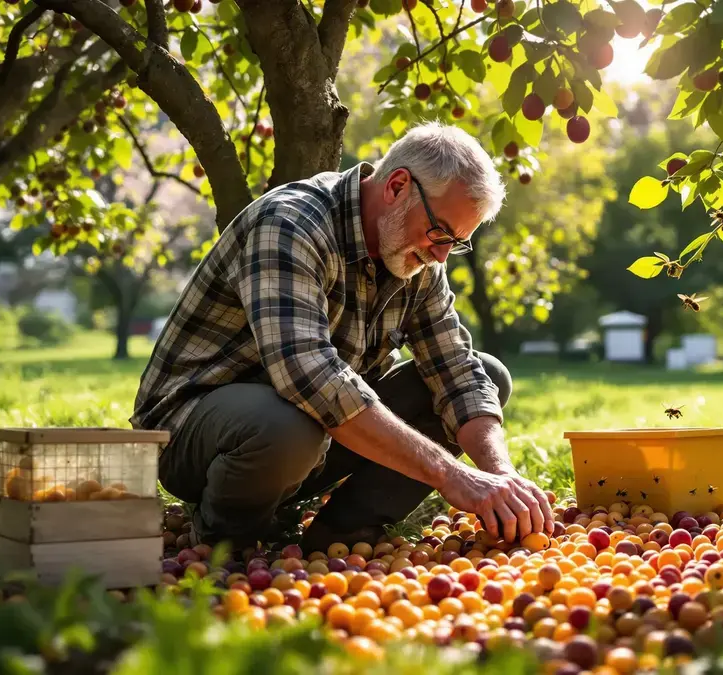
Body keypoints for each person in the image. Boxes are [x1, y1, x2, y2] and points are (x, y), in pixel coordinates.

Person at [130, 122, 554, 552]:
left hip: (308, 434)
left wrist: (500, 475)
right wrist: (453, 476)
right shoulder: (291, 225)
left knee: (487, 375)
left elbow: (458, 372)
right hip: (193, 433)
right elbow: (311, 379)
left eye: (457, 242)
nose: (442, 254)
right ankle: (226, 542)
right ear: (397, 186)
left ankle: (340, 536)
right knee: (287, 425)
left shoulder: (416, 258)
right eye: (441, 232)